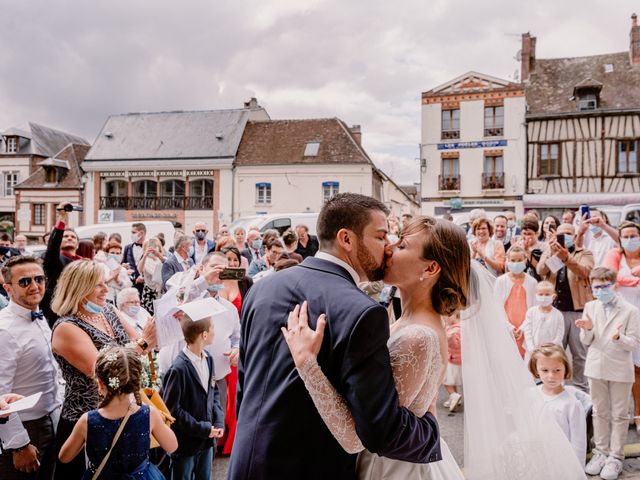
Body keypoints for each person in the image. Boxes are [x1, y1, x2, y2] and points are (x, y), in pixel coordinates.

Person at [282, 213, 587, 480]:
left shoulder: (420, 337)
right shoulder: (406, 318)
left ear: (429, 270)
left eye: (402, 246)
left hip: (391, 469)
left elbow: (358, 436)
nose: (389, 248)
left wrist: (307, 363)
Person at [230, 194, 443, 479]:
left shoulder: (262, 289)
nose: (388, 247)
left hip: (245, 462)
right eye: (381, 237)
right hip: (311, 469)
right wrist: (430, 431)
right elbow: (378, 430)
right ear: (347, 239)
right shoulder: (362, 312)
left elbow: (246, 387)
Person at [50, 260, 157, 478]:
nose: (106, 289)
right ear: (79, 289)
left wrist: (152, 334)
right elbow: (103, 370)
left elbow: (141, 343)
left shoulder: (107, 310)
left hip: (124, 412)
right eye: (98, 285)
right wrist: (143, 344)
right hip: (87, 419)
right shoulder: (66, 327)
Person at [59, 345, 177, 478]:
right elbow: (172, 446)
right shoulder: (148, 414)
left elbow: (64, 457)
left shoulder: (87, 421)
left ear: (101, 383)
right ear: (137, 381)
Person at [0, 256, 60, 479]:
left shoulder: (39, 314)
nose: (35, 286)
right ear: (8, 288)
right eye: (25, 282)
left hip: (48, 421)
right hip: (24, 427)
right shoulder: (4, 330)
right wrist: (18, 444)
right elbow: (0, 393)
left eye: (39, 279)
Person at [577, 267, 640, 479]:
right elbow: (586, 341)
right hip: (596, 366)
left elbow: (634, 343)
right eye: (597, 287)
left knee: (620, 414)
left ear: (615, 285)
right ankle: (601, 451)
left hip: (620, 368)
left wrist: (619, 339)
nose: (601, 290)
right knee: (599, 411)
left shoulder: (630, 310)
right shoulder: (590, 306)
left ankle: (616, 456)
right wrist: (586, 329)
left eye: (605, 286)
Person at [163, 312, 224, 480]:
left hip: (206, 441)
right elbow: (173, 410)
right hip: (185, 444)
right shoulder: (178, 369)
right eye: (212, 327)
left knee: (205, 476)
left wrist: (218, 421)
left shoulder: (209, 359)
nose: (214, 331)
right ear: (204, 335)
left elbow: (214, 393)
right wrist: (203, 429)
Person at [538, 223, 594, 392]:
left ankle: (580, 389)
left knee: (580, 354)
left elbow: (585, 272)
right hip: (556, 311)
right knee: (555, 352)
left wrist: (566, 258)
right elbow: (541, 270)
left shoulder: (584, 252)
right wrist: (552, 252)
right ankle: (554, 387)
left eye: (569, 233)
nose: (565, 237)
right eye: (561, 234)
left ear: (575, 234)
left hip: (578, 311)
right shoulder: (551, 251)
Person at [602, 220, 640, 433]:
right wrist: (634, 277)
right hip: (621, 316)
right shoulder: (615, 255)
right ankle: (620, 414)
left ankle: (638, 414)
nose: (629, 240)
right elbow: (611, 276)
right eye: (625, 236)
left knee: (639, 370)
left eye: (633, 235)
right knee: (621, 367)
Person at [528, 343, 586, 463]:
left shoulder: (571, 404)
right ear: (536, 370)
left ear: (565, 369)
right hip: (538, 458)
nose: (551, 376)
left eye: (557, 370)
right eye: (545, 370)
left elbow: (578, 444)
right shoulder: (531, 395)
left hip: (561, 461)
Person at [42, 202, 81, 326]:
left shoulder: (83, 262)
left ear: (78, 244)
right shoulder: (55, 258)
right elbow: (53, 245)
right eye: (66, 236)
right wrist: (62, 218)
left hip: (78, 309)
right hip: (56, 310)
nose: (69, 238)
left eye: (73, 237)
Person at [495, 245, 538, 357]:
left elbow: (534, 307)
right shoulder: (500, 281)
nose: (516, 263)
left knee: (524, 357)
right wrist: (509, 327)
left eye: (519, 260)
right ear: (507, 261)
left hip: (525, 327)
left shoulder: (532, 282)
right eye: (513, 260)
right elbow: (497, 307)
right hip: (506, 326)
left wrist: (523, 328)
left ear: (525, 260)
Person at [521, 280, 565, 365]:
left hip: (552, 351)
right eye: (540, 294)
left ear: (553, 296)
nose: (543, 297)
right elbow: (528, 331)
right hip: (534, 350)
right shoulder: (531, 312)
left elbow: (560, 333)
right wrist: (531, 348)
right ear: (536, 295)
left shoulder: (558, 314)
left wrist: (552, 348)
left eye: (547, 294)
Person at [138, 238, 166, 314]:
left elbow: (168, 264)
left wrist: (159, 255)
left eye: (154, 247)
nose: (152, 249)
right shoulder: (145, 260)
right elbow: (140, 269)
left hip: (161, 292)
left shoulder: (161, 259)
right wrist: (144, 255)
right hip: (149, 293)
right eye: (149, 247)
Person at [443, 313, 463, 413]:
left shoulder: (455, 330)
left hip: (451, 359)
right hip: (457, 359)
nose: (445, 318)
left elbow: (455, 345)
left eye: (448, 316)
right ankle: (455, 399)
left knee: (445, 379)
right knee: (452, 380)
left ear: (455, 315)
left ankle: (453, 395)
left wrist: (448, 337)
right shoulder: (461, 327)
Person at [103, 240, 132, 304]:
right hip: (105, 299)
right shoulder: (102, 267)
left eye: (117, 253)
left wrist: (118, 281)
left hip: (119, 301)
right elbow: (98, 283)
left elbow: (128, 287)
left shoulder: (122, 269)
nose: (115, 255)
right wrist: (112, 276)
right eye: (112, 253)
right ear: (107, 254)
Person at [123, 222, 147, 296]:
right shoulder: (127, 247)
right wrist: (124, 267)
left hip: (145, 288)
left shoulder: (149, 248)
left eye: (134, 232)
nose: (132, 235)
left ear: (142, 233)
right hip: (130, 286)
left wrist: (144, 278)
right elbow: (123, 263)